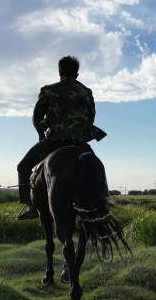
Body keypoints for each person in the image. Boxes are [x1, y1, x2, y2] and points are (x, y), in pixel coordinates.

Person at [16, 56, 97, 220]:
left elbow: (36, 118)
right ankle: (102, 197)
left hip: (55, 141)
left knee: (23, 166)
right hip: (79, 142)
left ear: (59, 72)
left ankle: (30, 205)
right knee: (95, 166)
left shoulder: (48, 90)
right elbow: (91, 118)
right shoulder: (86, 92)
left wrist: (41, 133)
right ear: (77, 74)